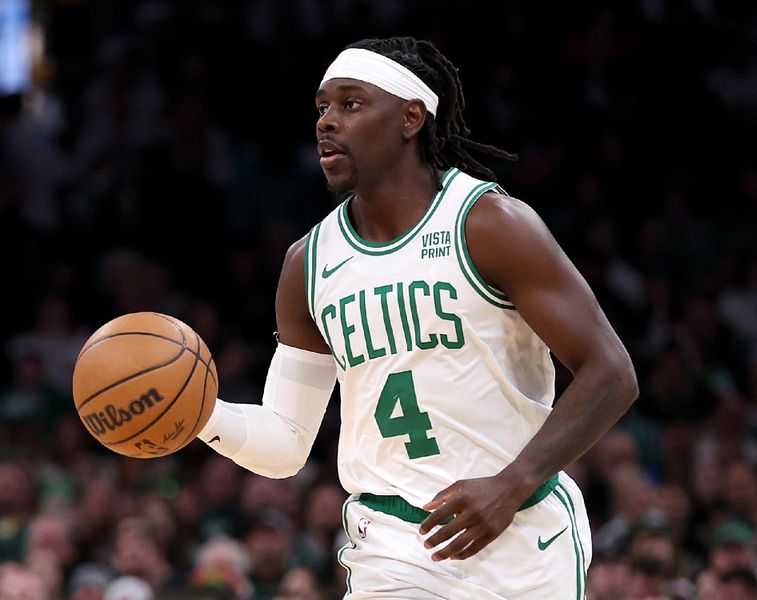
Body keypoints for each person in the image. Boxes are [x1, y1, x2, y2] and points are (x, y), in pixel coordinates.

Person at [197, 36, 638, 598]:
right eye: (322, 108)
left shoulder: (489, 223)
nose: (327, 122)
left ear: (411, 117)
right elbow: (286, 444)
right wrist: (199, 416)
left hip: (520, 535)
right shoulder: (307, 263)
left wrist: (512, 482)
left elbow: (611, 372)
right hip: (390, 547)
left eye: (350, 104)